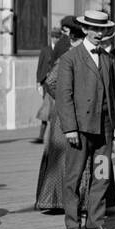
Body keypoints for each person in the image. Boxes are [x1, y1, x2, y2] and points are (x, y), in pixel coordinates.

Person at [55, 9, 115, 229]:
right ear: (84, 29)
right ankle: (73, 224)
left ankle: (95, 222)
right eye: (94, 28)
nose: (98, 33)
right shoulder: (69, 59)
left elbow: (113, 94)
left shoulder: (108, 58)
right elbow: (64, 96)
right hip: (81, 130)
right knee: (73, 177)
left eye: (102, 29)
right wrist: (70, 128)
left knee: (102, 175)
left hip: (104, 130)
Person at [35, 16, 86, 212]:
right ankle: (56, 200)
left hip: (77, 115)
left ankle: (74, 200)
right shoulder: (67, 55)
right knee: (61, 155)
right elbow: (51, 81)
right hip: (64, 116)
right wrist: (67, 100)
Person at [31, 27, 61, 144]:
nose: (55, 39)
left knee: (53, 110)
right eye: (53, 36)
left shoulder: (61, 49)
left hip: (57, 84)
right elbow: (40, 66)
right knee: (46, 109)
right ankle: (41, 136)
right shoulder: (45, 50)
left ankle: (53, 136)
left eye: (57, 36)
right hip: (46, 83)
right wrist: (38, 82)